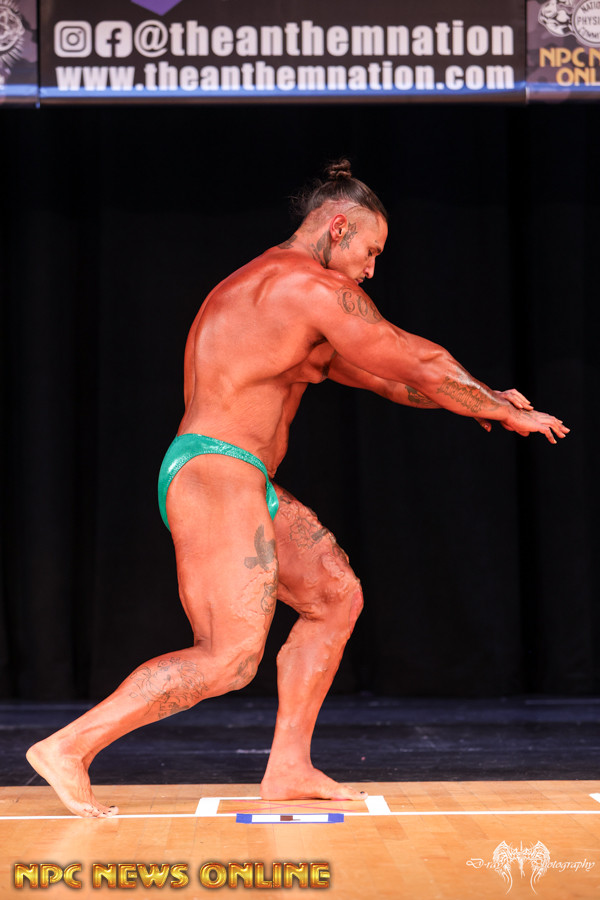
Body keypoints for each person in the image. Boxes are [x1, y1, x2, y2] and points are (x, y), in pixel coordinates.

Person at [26, 160, 569, 817]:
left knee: (336, 596)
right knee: (228, 659)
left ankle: (288, 766)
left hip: (241, 476)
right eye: (370, 252)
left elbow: (390, 378)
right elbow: (418, 358)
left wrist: (480, 402)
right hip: (215, 471)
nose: (371, 269)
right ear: (338, 227)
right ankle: (70, 747)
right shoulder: (303, 288)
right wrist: (503, 408)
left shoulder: (279, 298)